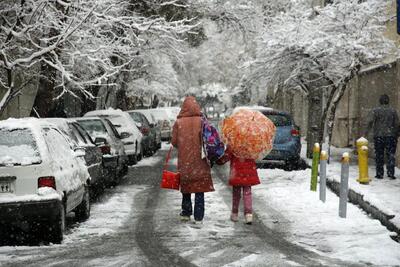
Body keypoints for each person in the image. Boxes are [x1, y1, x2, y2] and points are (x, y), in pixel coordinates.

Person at [171, 96, 214, 223]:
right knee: (199, 188)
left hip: (185, 161)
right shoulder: (202, 121)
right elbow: (209, 139)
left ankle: (186, 212)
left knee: (186, 186)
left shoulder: (178, 123)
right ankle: (199, 216)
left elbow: (174, 142)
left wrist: (183, 146)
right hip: (200, 160)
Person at [217, 146, 260, 224]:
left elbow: (227, 156)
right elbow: (257, 154)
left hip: (236, 171)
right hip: (249, 172)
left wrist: (219, 161)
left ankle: (235, 213)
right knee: (247, 193)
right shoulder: (252, 142)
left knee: (236, 194)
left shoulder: (234, 142)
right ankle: (248, 214)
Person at [366, 94, 400, 179]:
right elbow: (397, 124)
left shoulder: (376, 111)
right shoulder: (393, 111)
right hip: (391, 136)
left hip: (379, 136)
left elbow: (370, 122)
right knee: (391, 155)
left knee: (379, 155)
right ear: (388, 101)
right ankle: (390, 173)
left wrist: (366, 133)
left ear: (380, 101)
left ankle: (379, 173)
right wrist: (397, 134)